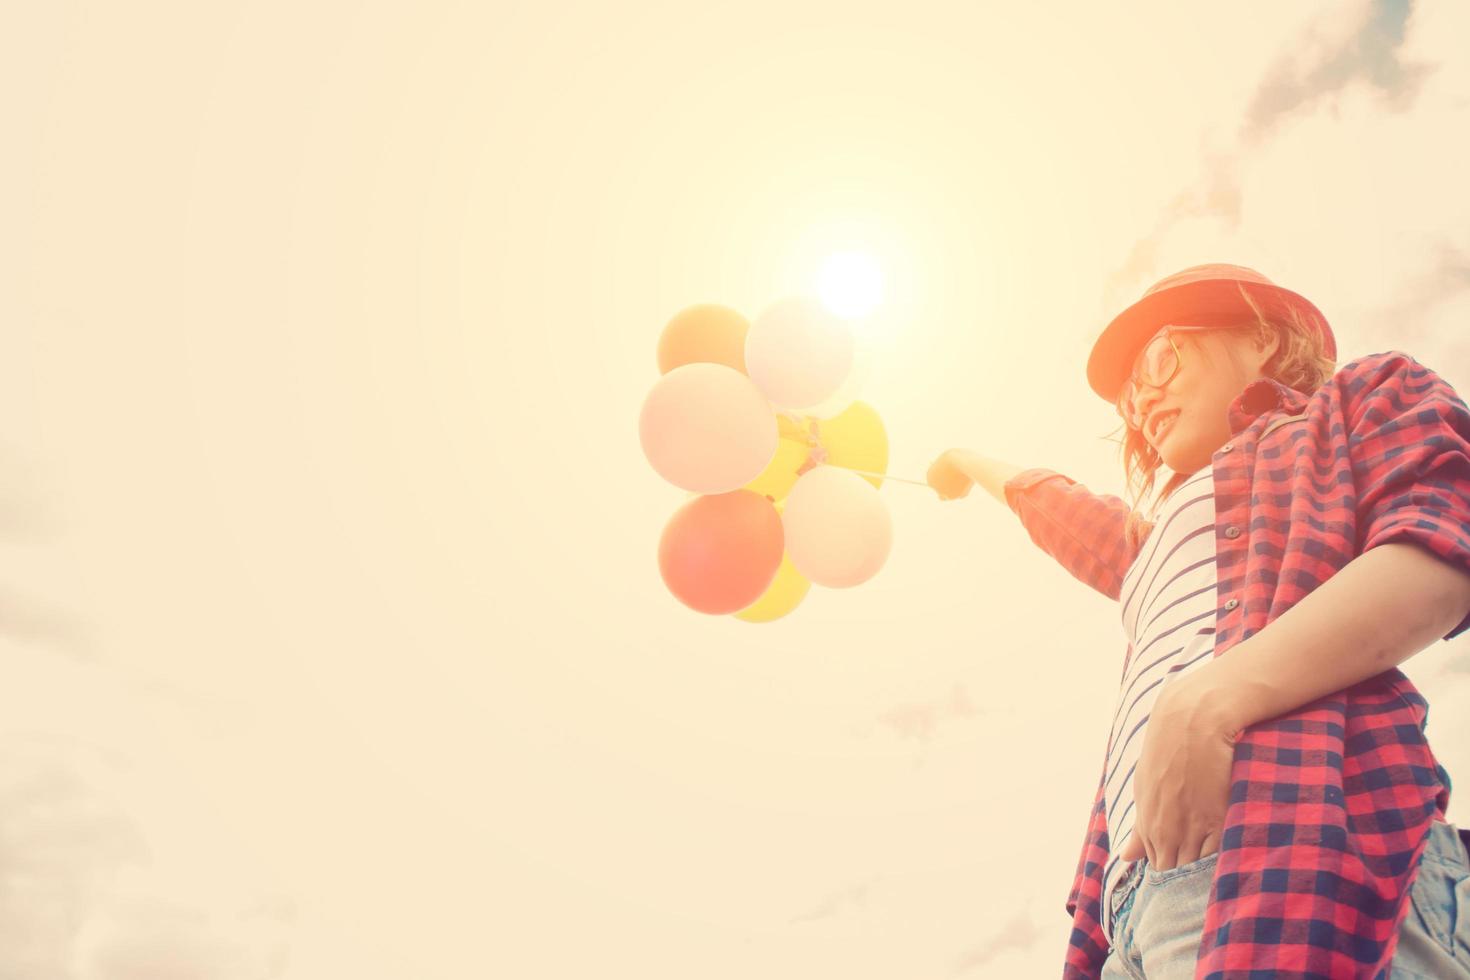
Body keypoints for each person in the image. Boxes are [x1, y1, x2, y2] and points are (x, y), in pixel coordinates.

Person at [927, 264, 1470, 979]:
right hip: (1126, 918)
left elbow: (1446, 546)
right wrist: (965, 461)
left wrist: (1214, 698)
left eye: (1160, 357)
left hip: (1294, 843)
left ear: (1262, 340)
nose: (1142, 396)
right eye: (1127, 396)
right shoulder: (1150, 548)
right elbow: (1057, 509)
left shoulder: (1354, 402)